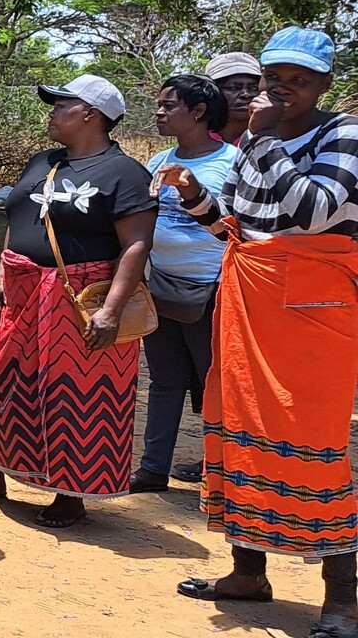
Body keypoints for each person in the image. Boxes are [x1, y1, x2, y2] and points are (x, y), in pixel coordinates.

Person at [165, 27, 358, 638]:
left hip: (314, 308)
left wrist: (266, 138)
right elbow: (237, 224)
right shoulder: (252, 139)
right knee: (237, 427)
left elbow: (314, 212)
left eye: (299, 80)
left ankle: (343, 601)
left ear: (324, 84)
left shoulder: (343, 134)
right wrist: (195, 196)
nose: (281, 89)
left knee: (313, 443)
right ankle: (248, 572)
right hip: (249, 296)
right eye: (274, 78)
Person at [0, 74, 155, 528]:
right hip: (23, 289)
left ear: (91, 115)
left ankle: (70, 491)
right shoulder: (43, 161)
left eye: (63, 105)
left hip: (81, 296)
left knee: (75, 390)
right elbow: (20, 216)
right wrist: (3, 268)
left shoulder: (124, 173)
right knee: (5, 380)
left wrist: (111, 310)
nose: (53, 112)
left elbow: (136, 244)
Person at [131, 75, 235, 493]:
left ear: (198, 112)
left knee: (214, 383)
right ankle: (153, 469)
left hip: (213, 290)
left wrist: (192, 188)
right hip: (161, 287)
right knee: (165, 380)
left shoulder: (231, 162)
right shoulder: (159, 159)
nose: (159, 113)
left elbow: (230, 229)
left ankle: (221, 472)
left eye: (169, 105)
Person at [206, 51, 264, 144]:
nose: (246, 94)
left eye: (254, 88)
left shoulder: (273, 137)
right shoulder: (195, 138)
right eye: (233, 88)